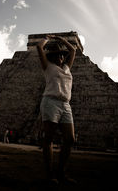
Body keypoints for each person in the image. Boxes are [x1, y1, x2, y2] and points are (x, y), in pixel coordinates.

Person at [36, 34, 76, 186]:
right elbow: (39, 47)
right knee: (49, 139)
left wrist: (60, 39)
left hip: (66, 104)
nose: (60, 56)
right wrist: (47, 38)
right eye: (57, 54)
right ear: (52, 57)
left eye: (61, 54)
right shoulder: (47, 66)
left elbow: (73, 50)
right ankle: (50, 174)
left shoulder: (66, 68)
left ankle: (61, 172)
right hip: (50, 102)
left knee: (70, 139)